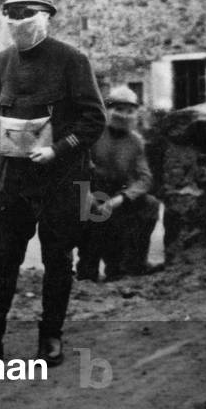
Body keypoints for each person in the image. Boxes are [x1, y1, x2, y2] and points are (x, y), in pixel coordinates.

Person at [0, 0, 106, 366]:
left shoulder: (71, 60)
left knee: (58, 258)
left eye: (26, 13)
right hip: (14, 179)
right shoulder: (1, 63)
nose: (17, 20)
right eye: (11, 13)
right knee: (3, 259)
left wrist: (58, 149)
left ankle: (51, 339)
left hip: (61, 179)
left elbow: (93, 119)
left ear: (46, 16)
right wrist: (15, 149)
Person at [76, 85, 162, 281]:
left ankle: (134, 263)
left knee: (150, 205)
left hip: (117, 196)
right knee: (93, 228)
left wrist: (121, 199)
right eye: (119, 109)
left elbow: (145, 177)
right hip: (88, 193)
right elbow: (76, 169)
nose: (124, 115)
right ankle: (89, 268)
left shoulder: (136, 141)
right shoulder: (92, 134)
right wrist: (88, 196)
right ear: (107, 110)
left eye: (130, 111)